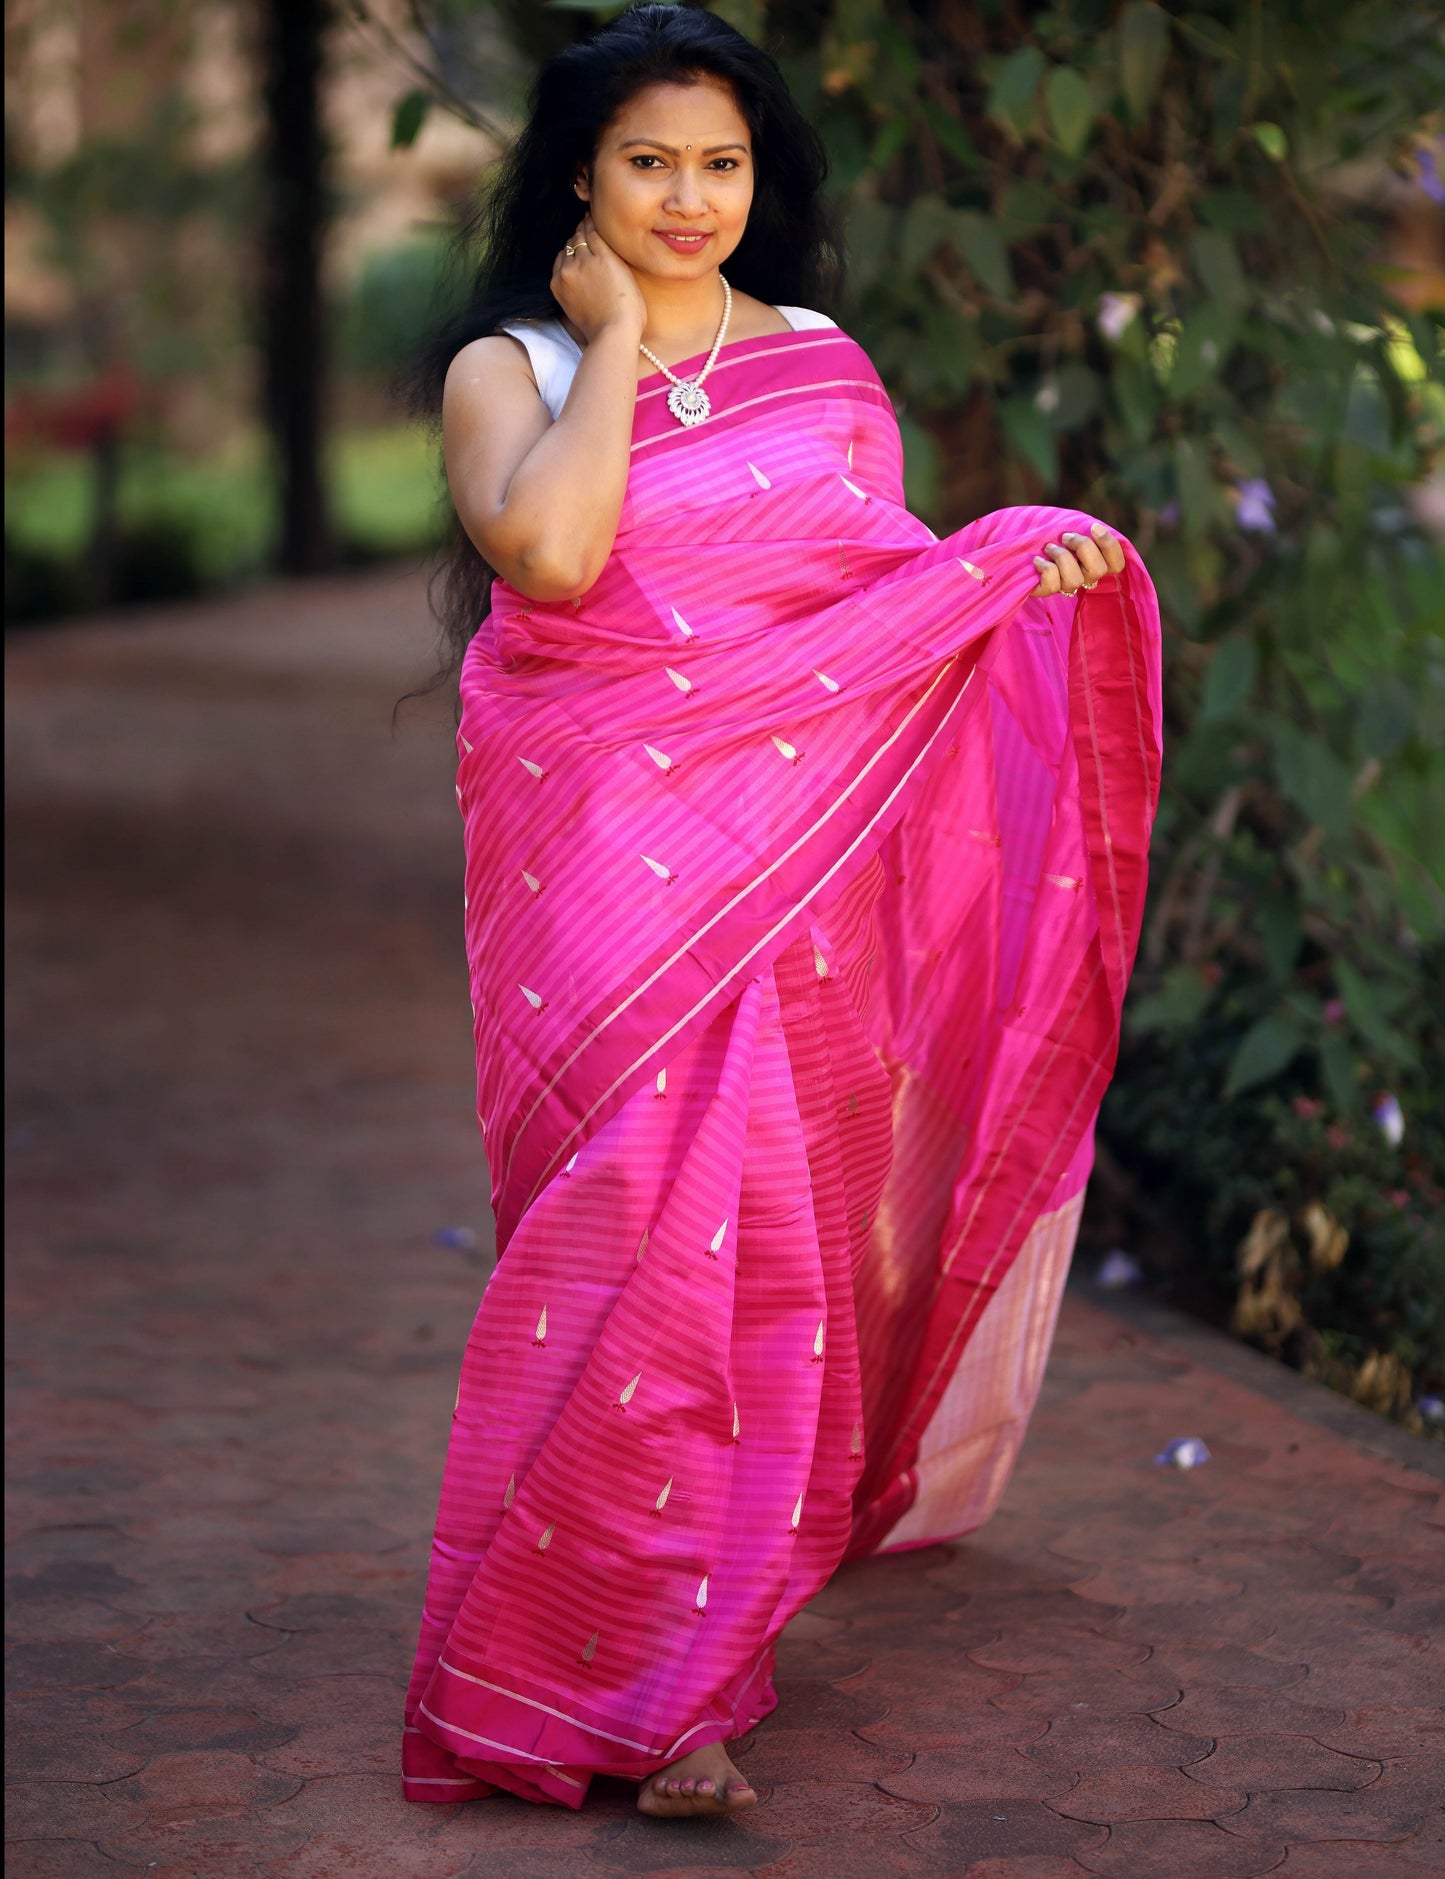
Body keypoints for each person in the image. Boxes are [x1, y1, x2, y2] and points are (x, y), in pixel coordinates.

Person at [402, 3, 1160, 1821]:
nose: (687, 199)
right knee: (623, 1220)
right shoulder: (504, 365)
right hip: (604, 851)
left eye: (721, 164)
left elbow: (873, 609)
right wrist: (605, 349)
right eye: (648, 161)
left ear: (764, 180)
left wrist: (1004, 567)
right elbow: (560, 562)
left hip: (795, 868)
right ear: (577, 173)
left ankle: (676, 1683)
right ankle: (590, 1659)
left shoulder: (821, 361)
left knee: (752, 1245)